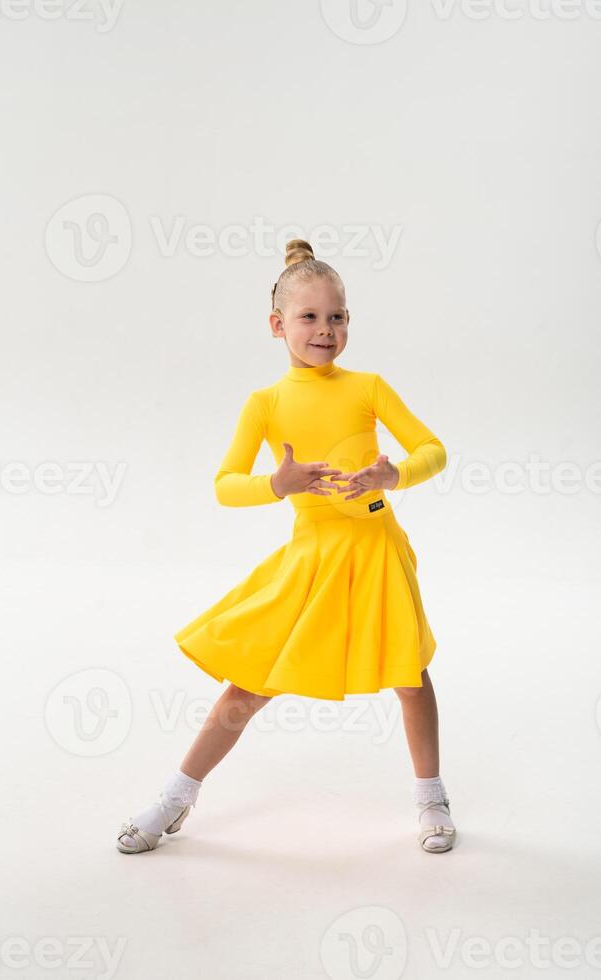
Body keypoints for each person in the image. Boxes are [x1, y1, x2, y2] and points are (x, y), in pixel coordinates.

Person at [117, 238, 456, 855]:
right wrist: (277, 483)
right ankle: (177, 794)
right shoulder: (266, 404)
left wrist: (393, 475)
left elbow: (434, 449)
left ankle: (431, 796)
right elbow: (225, 485)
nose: (325, 329)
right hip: (311, 556)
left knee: (410, 673)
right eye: (309, 317)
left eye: (337, 316)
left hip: (375, 547)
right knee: (249, 682)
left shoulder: (369, 386)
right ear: (278, 325)